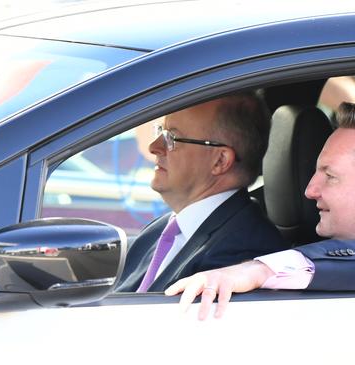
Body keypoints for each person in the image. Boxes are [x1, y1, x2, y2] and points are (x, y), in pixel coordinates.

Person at [165, 102, 355, 319]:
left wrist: (257, 270)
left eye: (330, 176)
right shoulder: (303, 247)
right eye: (314, 173)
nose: (310, 190)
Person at [116, 92, 288, 292]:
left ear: (220, 161)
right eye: (161, 132)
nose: (154, 147)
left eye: (172, 137)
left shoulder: (238, 255)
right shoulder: (166, 226)